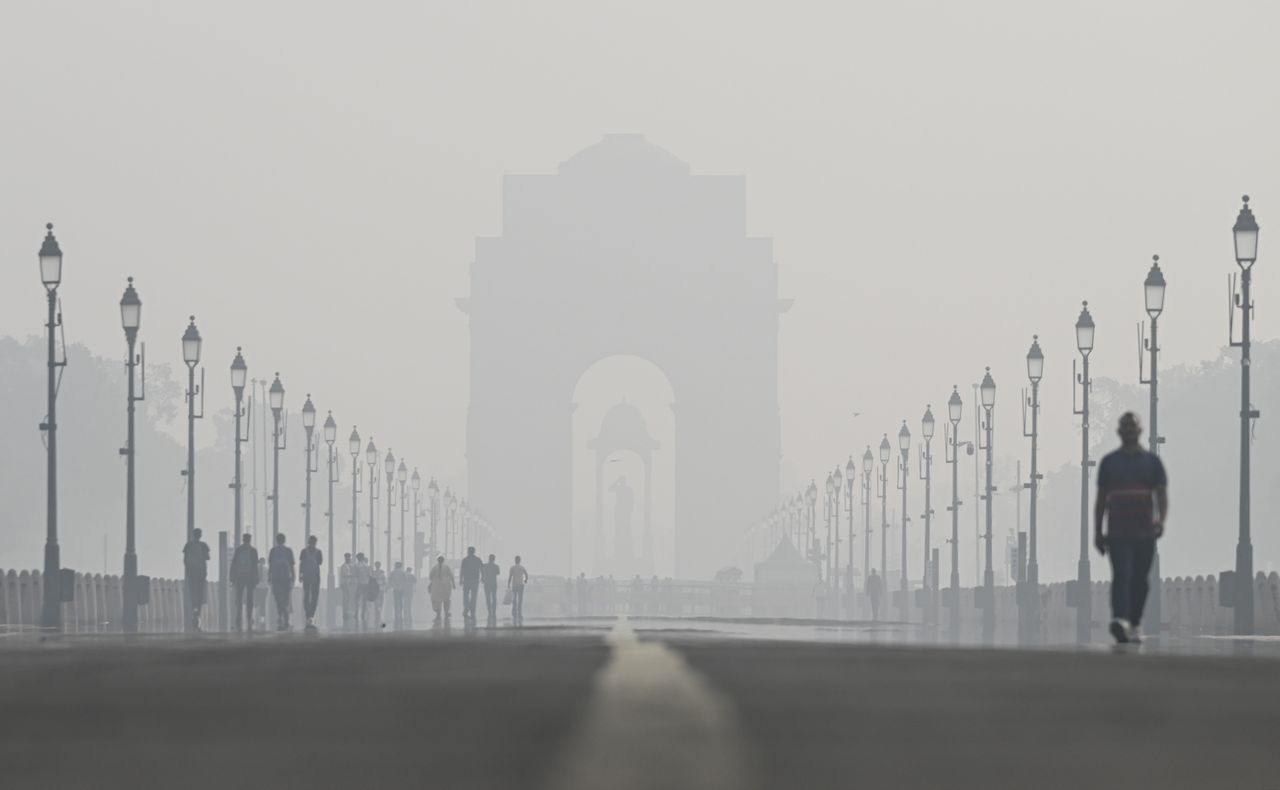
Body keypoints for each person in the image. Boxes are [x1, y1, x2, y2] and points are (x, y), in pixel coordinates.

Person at [1095, 412, 1168, 645]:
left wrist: (1161, 521)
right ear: (1120, 432)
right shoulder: (1109, 463)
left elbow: (1161, 496)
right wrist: (1098, 531)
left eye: (1131, 427)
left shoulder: (1152, 463)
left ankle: (1134, 622)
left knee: (1140, 579)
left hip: (1145, 531)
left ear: (1138, 431)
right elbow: (1101, 500)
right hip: (1118, 532)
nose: (1128, 431)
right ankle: (1121, 619)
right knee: (1122, 575)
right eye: (1125, 427)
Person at [229, 533, 259, 632]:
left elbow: (233, 563)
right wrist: (256, 577)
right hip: (250, 577)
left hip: (240, 576)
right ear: (250, 540)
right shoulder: (253, 550)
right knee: (249, 597)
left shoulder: (238, 550)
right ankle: (249, 617)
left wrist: (232, 576)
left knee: (239, 596)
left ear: (243, 539)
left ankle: (238, 615)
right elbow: (255, 565)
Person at [183, 528, 211, 631]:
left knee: (192, 592)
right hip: (201, 573)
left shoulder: (188, 545)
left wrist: (188, 570)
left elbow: (185, 559)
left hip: (191, 573)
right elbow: (208, 557)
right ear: (200, 535)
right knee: (199, 593)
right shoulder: (203, 545)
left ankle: (194, 609)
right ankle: (197, 612)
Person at [268, 533, 296, 631]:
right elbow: (292, 565)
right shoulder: (288, 551)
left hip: (276, 577)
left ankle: (281, 614)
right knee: (286, 597)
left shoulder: (273, 551)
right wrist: (293, 577)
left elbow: (270, 565)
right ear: (284, 540)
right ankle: (285, 617)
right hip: (286, 577)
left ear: (277, 540)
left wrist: (269, 576)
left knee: (278, 597)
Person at [299, 535, 323, 629]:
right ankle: (311, 615)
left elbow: (301, 563)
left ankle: (308, 614)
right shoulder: (318, 552)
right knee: (314, 596)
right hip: (315, 576)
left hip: (306, 576)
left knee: (306, 595)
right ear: (315, 542)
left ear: (308, 542)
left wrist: (300, 575)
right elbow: (320, 563)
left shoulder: (304, 551)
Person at [429, 555, 455, 623]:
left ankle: (438, 614)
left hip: (436, 586)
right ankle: (446, 613)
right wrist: (453, 584)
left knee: (436, 600)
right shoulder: (447, 567)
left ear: (437, 560)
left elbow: (430, 577)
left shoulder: (434, 568)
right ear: (443, 560)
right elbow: (451, 576)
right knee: (446, 600)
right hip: (446, 586)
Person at [460, 546, 482, 619]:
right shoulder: (478, 559)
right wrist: (483, 577)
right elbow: (482, 569)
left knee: (465, 595)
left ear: (468, 551)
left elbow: (462, 570)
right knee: (474, 596)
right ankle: (472, 610)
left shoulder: (465, 560)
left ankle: (467, 607)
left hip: (466, 580)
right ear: (474, 551)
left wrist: (460, 579)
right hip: (475, 580)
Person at [508, 555, 529, 624]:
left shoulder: (512, 568)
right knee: (520, 599)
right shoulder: (522, 567)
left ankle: (514, 612)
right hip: (521, 584)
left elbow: (510, 576)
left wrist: (508, 584)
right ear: (520, 560)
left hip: (514, 585)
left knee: (514, 599)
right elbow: (526, 574)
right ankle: (519, 613)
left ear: (515, 560)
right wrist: (525, 580)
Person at [355, 553, 372, 631]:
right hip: (366, 583)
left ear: (358, 558)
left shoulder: (356, 565)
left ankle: (356, 612)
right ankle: (363, 613)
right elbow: (369, 575)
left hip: (359, 583)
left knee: (357, 598)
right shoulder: (366, 566)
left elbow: (355, 575)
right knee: (364, 599)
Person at [389, 561, 408, 631]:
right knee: (400, 600)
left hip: (395, 588)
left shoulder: (393, 572)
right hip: (402, 588)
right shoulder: (403, 572)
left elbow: (390, 579)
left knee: (395, 600)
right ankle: (400, 610)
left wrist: (391, 585)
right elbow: (406, 580)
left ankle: (397, 611)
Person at [481, 554, 501, 620]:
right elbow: (498, 573)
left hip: (486, 583)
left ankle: (489, 609)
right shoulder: (496, 566)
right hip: (493, 583)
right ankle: (494, 609)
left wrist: (482, 578)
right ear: (494, 559)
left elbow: (482, 573)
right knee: (494, 596)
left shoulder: (485, 565)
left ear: (489, 558)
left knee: (488, 597)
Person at [339, 553, 356, 631]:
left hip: (346, 584)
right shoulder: (344, 566)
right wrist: (352, 575)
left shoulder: (348, 566)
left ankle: (346, 612)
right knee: (346, 598)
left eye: (349, 557)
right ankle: (345, 612)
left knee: (347, 598)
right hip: (344, 584)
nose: (349, 559)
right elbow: (344, 575)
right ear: (346, 558)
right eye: (348, 558)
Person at [373, 561, 388, 625]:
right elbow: (385, 581)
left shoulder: (373, 573)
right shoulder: (382, 573)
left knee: (376, 601)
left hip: (375, 589)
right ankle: (379, 611)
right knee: (381, 601)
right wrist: (385, 587)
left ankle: (377, 612)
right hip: (381, 589)